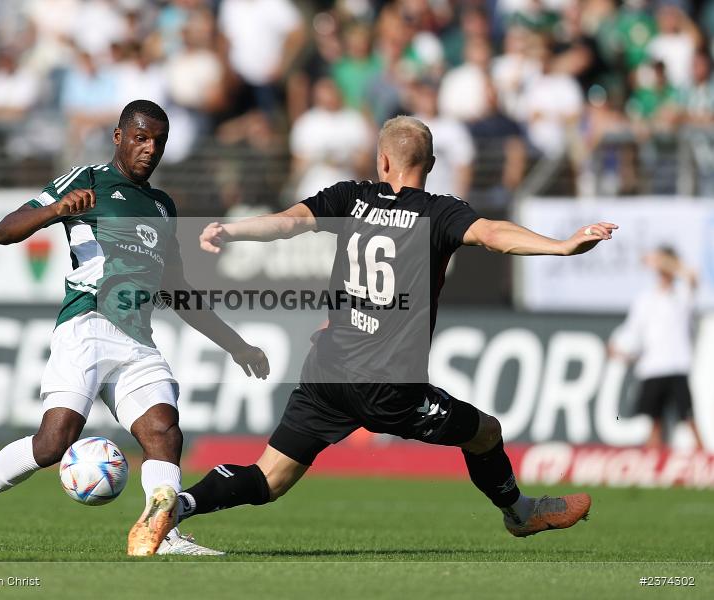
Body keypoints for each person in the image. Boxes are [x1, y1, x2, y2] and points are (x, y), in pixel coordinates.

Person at [180, 115, 616, 543]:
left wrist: (230, 231)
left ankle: (178, 505)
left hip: (327, 374)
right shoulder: (439, 212)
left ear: (383, 161)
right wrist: (561, 246)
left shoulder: (351, 197)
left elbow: (288, 223)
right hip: (388, 388)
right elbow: (493, 234)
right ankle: (519, 514)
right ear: (430, 163)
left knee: (267, 478)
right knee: (486, 433)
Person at [0, 100, 270, 556]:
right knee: (53, 442)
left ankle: (161, 535)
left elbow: (177, 289)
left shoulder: (162, 206)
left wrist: (237, 345)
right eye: (140, 138)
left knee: (164, 432)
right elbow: (4, 231)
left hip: (136, 338)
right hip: (87, 324)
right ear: (118, 137)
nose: (149, 148)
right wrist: (55, 210)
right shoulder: (86, 180)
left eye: (158, 141)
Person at [609, 246, 704, 450]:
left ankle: (706, 466)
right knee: (654, 423)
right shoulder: (645, 299)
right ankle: (655, 467)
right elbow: (633, 334)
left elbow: (691, 275)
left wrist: (662, 260)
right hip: (652, 368)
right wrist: (619, 350)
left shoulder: (682, 294)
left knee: (689, 419)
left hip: (677, 366)